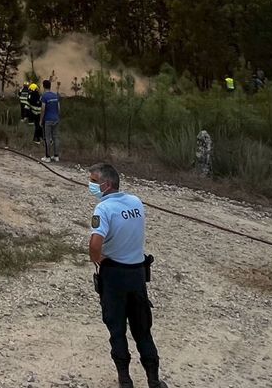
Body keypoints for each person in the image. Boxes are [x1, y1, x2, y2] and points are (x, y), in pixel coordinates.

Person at [88, 162, 167, 388]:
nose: (91, 185)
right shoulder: (136, 202)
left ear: (107, 184)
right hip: (137, 274)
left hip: (114, 275)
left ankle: (125, 380)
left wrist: (98, 258)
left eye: (94, 181)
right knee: (143, 330)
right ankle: (153, 379)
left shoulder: (103, 209)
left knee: (117, 329)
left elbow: (95, 244)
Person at [41, 78, 61, 162]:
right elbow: (59, 108)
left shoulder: (44, 96)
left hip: (48, 119)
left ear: (43, 86)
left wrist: (41, 120)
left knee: (47, 138)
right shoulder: (55, 95)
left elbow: (43, 109)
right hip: (56, 119)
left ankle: (47, 157)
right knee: (55, 137)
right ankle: (56, 156)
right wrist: (57, 117)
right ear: (50, 86)